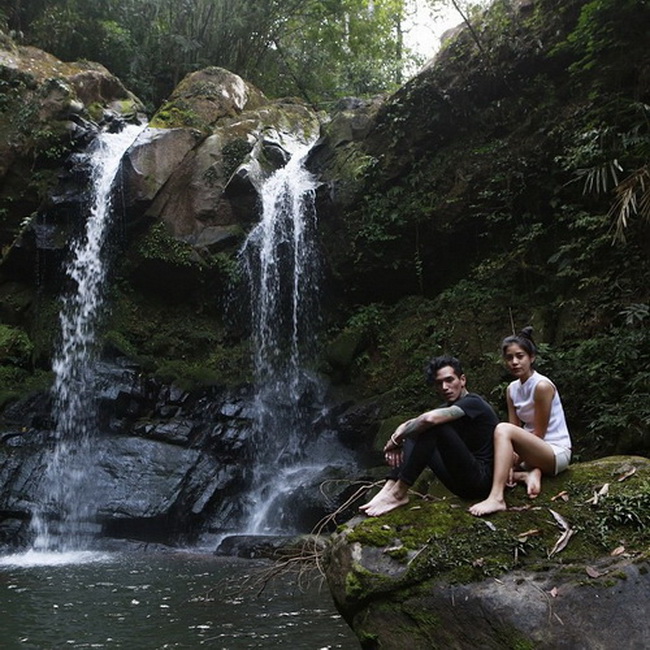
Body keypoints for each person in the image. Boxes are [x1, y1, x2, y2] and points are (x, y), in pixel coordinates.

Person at [360, 355, 498, 517]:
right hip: (459, 483)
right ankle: (389, 488)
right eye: (439, 383)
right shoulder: (447, 409)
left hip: (481, 481)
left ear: (462, 380)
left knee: (431, 427)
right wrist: (396, 440)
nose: (445, 387)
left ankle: (398, 493)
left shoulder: (474, 403)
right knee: (417, 432)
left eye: (449, 380)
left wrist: (395, 440)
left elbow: (428, 420)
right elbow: (410, 424)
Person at [469, 327, 572, 517]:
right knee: (492, 464)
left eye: (520, 356)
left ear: (531, 357)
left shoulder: (541, 386)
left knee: (501, 429)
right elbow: (515, 428)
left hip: (554, 452)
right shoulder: (512, 389)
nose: (514, 362)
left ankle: (497, 498)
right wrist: (509, 463)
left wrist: (515, 459)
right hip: (532, 452)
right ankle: (528, 474)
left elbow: (538, 434)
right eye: (509, 357)